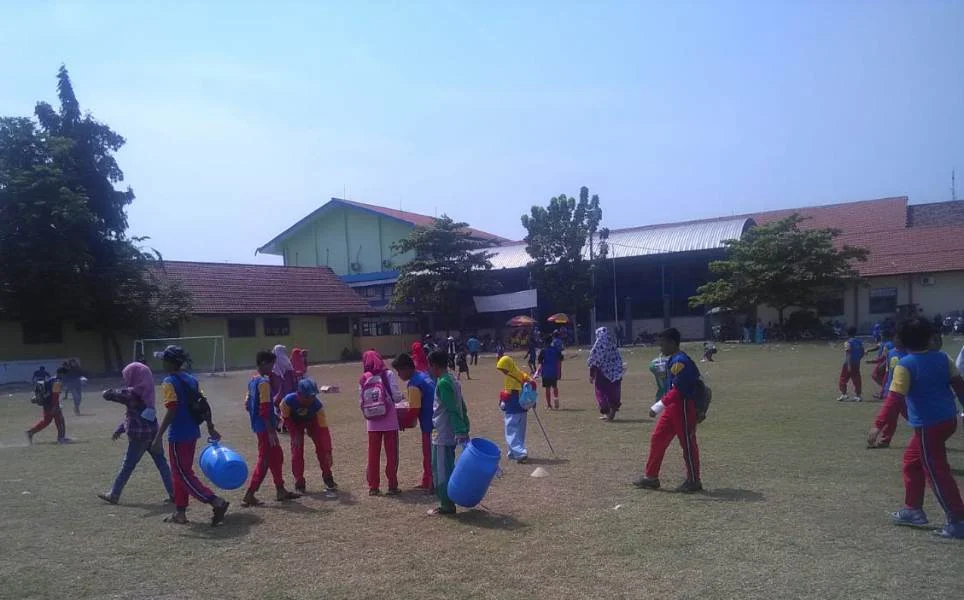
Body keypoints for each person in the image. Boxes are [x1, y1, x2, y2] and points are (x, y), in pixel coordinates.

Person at [876, 318, 964, 539]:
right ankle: (913, 509)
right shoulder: (944, 358)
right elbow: (960, 386)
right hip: (947, 421)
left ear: (901, 341)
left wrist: (878, 425)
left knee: (936, 473)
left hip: (928, 425)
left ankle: (958, 520)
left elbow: (894, 400)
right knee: (911, 462)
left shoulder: (905, 365)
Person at [150, 345, 229, 525]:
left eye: (164, 360)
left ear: (170, 362)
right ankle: (180, 513)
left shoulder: (169, 382)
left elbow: (171, 410)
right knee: (180, 472)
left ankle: (216, 501)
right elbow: (204, 404)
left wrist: (158, 436)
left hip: (178, 434)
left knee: (181, 473)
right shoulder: (192, 380)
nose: (162, 363)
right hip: (192, 432)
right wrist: (210, 427)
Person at [634, 328, 704, 493]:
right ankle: (651, 477)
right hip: (672, 408)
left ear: (672, 343)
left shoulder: (681, 361)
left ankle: (694, 480)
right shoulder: (673, 360)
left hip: (683, 407)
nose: (660, 348)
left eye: (663, 343)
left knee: (687, 444)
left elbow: (679, 390)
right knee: (658, 438)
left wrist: (657, 406)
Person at [98, 362, 174, 505]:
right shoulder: (148, 392)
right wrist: (121, 428)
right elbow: (135, 415)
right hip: (152, 434)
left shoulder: (133, 392)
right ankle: (173, 493)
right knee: (162, 464)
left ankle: (114, 494)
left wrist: (104, 392)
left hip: (139, 437)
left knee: (128, 465)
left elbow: (110, 395)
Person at [242, 350, 301, 507]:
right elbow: (264, 408)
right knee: (265, 459)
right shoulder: (264, 383)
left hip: (260, 426)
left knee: (276, 456)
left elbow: (247, 404)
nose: (272, 368)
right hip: (265, 428)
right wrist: (270, 430)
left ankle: (280, 489)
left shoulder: (253, 381)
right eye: (271, 364)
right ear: (263, 364)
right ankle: (250, 493)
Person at [427, 349, 470, 516]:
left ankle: (446, 505)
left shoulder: (443, 382)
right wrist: (464, 425)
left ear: (434, 366)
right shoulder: (453, 379)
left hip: (443, 434)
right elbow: (462, 406)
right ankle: (447, 501)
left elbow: (453, 409)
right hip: (449, 432)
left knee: (441, 470)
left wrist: (460, 429)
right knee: (448, 466)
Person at [281, 378, 337, 494]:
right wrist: (294, 433)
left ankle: (328, 478)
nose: (311, 400)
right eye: (307, 397)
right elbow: (286, 418)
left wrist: (329, 451)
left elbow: (324, 430)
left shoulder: (317, 406)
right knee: (297, 450)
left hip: (312, 421)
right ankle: (299, 482)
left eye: (313, 396)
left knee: (322, 449)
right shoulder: (287, 401)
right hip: (295, 423)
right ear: (299, 394)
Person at [360, 350, 403, 496]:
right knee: (391, 455)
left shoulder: (364, 377)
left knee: (373, 455)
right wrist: (402, 396)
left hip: (372, 423)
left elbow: (361, 401)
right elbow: (396, 397)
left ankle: (373, 486)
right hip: (390, 421)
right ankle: (392, 485)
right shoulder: (388, 374)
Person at [392, 353, 436, 492]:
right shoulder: (423, 376)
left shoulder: (414, 384)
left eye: (399, 371)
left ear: (406, 368)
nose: (399, 375)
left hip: (429, 424)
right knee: (431, 454)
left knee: (429, 455)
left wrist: (402, 423)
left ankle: (431, 484)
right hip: (436, 420)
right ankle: (426, 480)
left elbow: (414, 410)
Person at [867, 330, 908, 449]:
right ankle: (885, 440)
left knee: (910, 415)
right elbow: (888, 372)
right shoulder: (891, 353)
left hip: (904, 392)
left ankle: (926, 435)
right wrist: (884, 389)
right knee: (891, 417)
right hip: (891, 390)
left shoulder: (909, 354)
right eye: (896, 338)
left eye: (900, 339)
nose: (897, 341)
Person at [496, 355, 533, 463]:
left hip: (512, 408)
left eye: (503, 369)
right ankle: (513, 452)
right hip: (523, 407)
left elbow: (507, 395)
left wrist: (502, 401)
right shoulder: (520, 373)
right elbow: (531, 381)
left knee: (511, 430)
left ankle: (520, 453)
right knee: (520, 431)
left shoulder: (509, 378)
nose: (503, 372)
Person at [588, 327, 623, 421]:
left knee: (601, 393)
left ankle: (608, 413)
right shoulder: (612, 345)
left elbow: (594, 361)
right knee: (613, 393)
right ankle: (611, 414)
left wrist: (591, 375)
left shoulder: (598, 345)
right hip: (615, 374)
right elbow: (619, 359)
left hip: (603, 374)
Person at [25, 366, 68, 444]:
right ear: (62, 374)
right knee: (60, 420)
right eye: (65, 375)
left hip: (46, 403)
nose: (65, 377)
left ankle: (30, 432)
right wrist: (55, 406)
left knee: (46, 421)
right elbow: (55, 395)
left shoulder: (51, 379)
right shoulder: (57, 381)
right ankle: (61, 438)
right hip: (52, 404)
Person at [271, 345, 298, 433]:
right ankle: (285, 425)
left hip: (277, 393)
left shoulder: (273, 366)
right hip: (287, 390)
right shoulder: (287, 363)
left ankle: (279, 425)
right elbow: (293, 377)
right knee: (287, 407)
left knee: (279, 408)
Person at [866, 330, 895, 398]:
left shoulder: (888, 344)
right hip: (882, 362)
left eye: (881, 335)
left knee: (876, 376)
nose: (880, 336)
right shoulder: (883, 342)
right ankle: (884, 391)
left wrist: (882, 363)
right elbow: (877, 347)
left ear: (885, 336)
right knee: (883, 378)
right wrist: (868, 350)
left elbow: (886, 356)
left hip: (884, 362)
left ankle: (885, 391)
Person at [838, 326, 865, 402]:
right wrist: (858, 359)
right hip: (856, 363)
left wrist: (849, 365)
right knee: (857, 379)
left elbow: (848, 354)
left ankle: (844, 394)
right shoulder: (859, 342)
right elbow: (862, 352)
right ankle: (858, 396)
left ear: (847, 333)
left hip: (848, 364)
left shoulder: (848, 342)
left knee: (843, 379)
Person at [537, 338, 563, 410]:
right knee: (555, 387)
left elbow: (539, 361)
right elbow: (560, 359)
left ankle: (549, 405)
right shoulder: (555, 350)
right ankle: (556, 401)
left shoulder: (543, 351)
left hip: (546, 372)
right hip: (554, 372)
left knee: (547, 388)